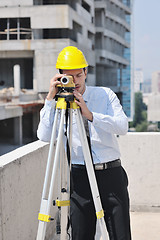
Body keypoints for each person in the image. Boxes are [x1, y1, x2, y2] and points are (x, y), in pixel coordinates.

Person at [37, 46, 131, 240]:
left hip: (110, 174)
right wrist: (49, 99)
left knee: (120, 235)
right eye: (68, 77)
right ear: (60, 76)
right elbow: (44, 135)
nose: (75, 81)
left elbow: (123, 126)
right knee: (81, 235)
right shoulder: (57, 103)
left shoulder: (104, 95)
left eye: (78, 75)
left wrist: (90, 115)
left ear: (86, 72)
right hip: (80, 177)